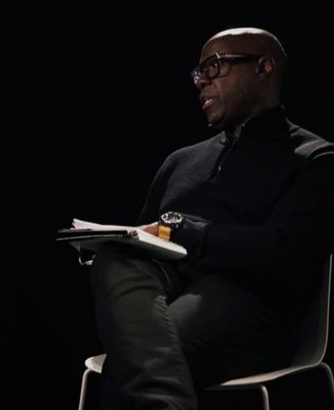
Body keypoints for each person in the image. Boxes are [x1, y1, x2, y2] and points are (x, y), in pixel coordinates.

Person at [87, 27, 334, 408]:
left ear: (263, 67)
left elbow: (285, 252)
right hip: (166, 296)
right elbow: (146, 247)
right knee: (115, 258)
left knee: (136, 357)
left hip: (252, 308)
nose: (201, 81)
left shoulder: (314, 160)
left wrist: (183, 231)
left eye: (214, 67)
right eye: (198, 73)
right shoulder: (180, 162)